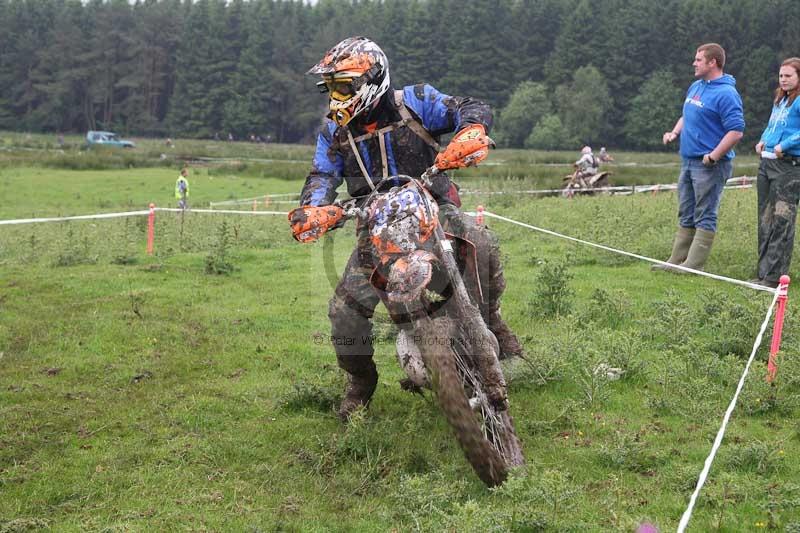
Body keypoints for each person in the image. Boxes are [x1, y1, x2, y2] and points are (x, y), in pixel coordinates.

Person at [288, 36, 523, 420]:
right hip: (373, 222)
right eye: (330, 88)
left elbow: (468, 106)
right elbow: (321, 174)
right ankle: (360, 382)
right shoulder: (334, 130)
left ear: (372, 79)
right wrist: (313, 210)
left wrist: (470, 130)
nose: (335, 97)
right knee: (344, 311)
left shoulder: (412, 102)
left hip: (433, 203)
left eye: (343, 86)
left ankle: (492, 318)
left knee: (479, 243)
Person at [654, 43, 744, 273]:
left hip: (709, 166)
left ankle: (694, 265)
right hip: (688, 161)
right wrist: (674, 132)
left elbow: (736, 131)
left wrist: (713, 157)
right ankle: (676, 260)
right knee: (686, 210)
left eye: (698, 60)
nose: (694, 63)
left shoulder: (727, 93)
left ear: (713, 62)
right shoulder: (696, 86)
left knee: (705, 212)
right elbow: (686, 114)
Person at [753, 58, 800, 288]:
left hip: (789, 166)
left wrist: (786, 145)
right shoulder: (780, 99)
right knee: (765, 218)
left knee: (782, 220)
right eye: (781, 75)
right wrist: (763, 141)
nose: (783, 79)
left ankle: (775, 278)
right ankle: (762, 273)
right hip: (767, 164)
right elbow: (772, 125)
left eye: (788, 75)